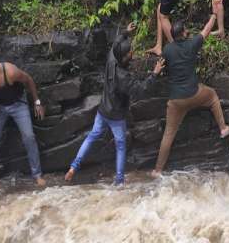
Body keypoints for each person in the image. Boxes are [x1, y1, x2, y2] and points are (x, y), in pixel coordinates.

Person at [65, 23, 164, 185]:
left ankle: (73, 167)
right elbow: (141, 89)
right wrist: (155, 73)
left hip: (103, 110)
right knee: (120, 146)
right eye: (130, 51)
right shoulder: (123, 77)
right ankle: (119, 180)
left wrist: (126, 31)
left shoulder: (112, 59)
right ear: (125, 57)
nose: (132, 52)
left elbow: (116, 43)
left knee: (91, 137)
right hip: (116, 116)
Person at [152, 16, 229, 177]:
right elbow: (206, 30)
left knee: (168, 135)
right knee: (212, 96)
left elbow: (160, 65)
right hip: (195, 93)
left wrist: (156, 72)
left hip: (176, 101)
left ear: (172, 35)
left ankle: (157, 170)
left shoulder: (168, 49)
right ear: (184, 32)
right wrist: (213, 15)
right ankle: (223, 128)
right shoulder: (192, 44)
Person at [0, 53, 46, 186]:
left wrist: (37, 102)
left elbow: (28, 79)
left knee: (29, 137)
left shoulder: (11, 72)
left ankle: (37, 175)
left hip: (18, 105)